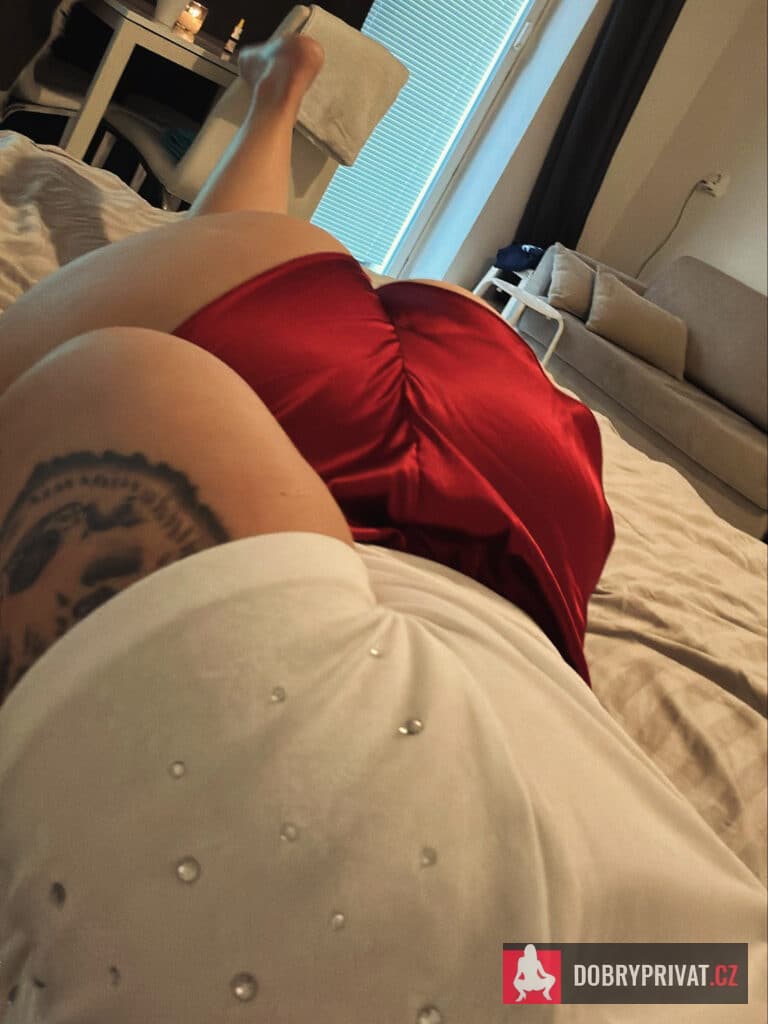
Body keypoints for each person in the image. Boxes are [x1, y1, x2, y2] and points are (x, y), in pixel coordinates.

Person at [0, 36, 764, 1024]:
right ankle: (278, 108)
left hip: (527, 530)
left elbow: (673, 972)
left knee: (250, 278)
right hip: (500, 575)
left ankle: (277, 100)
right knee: (215, 303)